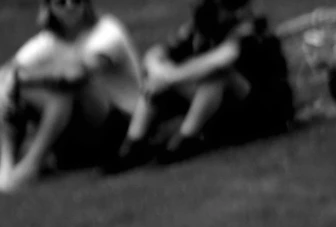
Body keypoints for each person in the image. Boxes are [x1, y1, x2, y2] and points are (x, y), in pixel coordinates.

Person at [106, 0, 295, 170]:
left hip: (264, 112)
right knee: (157, 79)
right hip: (230, 107)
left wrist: (171, 77)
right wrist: (161, 72)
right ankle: (134, 143)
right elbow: (155, 54)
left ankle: (186, 139)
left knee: (216, 77)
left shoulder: (250, 27)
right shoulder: (201, 26)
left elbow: (221, 60)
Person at [0, 0, 145, 193]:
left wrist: (20, 77)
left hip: (123, 127)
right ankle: (6, 168)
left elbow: (76, 74)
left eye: (76, 0)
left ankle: (30, 166)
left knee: (66, 88)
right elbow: (2, 75)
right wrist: (3, 88)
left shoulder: (107, 31)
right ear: (49, 7)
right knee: (19, 90)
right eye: (61, 2)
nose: (70, 6)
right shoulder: (48, 41)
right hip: (84, 128)